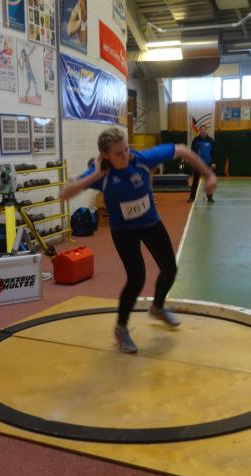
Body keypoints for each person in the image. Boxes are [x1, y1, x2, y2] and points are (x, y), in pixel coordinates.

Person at [61, 128, 217, 354]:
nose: (126, 156)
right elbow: (64, 193)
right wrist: (95, 176)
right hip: (123, 231)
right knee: (137, 278)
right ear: (105, 156)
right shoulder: (101, 174)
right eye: (118, 153)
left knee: (170, 269)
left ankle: (157, 307)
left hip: (150, 223)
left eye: (126, 149)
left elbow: (182, 150)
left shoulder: (141, 159)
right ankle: (121, 328)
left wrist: (208, 174)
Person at [189, 125, 216, 203]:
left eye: (204, 129)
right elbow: (192, 152)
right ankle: (192, 198)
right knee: (195, 181)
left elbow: (213, 152)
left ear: (206, 131)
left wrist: (213, 162)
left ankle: (210, 198)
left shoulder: (211, 140)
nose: (203, 131)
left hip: (208, 164)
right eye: (201, 129)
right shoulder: (195, 140)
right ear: (199, 131)